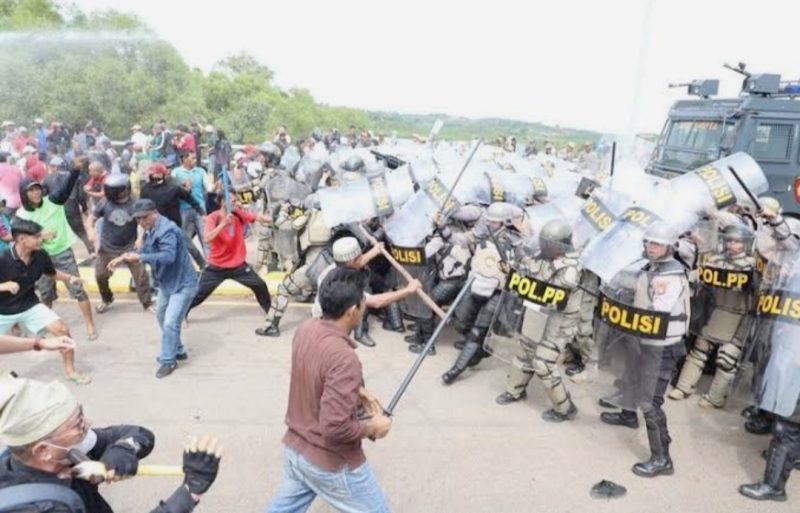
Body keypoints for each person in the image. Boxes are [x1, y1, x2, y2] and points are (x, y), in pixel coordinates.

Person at [266, 267, 392, 512]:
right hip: (329, 462)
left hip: (295, 451)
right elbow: (334, 427)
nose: (365, 304)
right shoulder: (345, 358)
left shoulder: (306, 329)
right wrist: (372, 428)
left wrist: (357, 391)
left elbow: (315, 376)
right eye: (362, 300)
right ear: (352, 311)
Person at [0, 377, 222, 513]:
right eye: (77, 424)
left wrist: (123, 449)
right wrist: (190, 492)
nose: (87, 425)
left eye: (81, 415)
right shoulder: (36, 508)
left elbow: (139, 433)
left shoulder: (64, 451)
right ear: (42, 450)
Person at [599, 222, 690, 478]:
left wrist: (627, 312)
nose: (651, 247)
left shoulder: (669, 277)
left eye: (657, 244)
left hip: (661, 347)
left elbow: (657, 311)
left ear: (670, 247)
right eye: (649, 242)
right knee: (631, 380)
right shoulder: (652, 268)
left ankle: (662, 458)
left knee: (650, 403)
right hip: (645, 341)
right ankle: (628, 415)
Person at [494, 220, 583, 422]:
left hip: (560, 321)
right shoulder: (542, 256)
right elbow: (529, 272)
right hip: (537, 312)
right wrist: (512, 272)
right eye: (543, 242)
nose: (544, 246)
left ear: (561, 244)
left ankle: (564, 408)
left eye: (549, 243)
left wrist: (526, 281)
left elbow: (553, 293)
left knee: (543, 362)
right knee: (524, 351)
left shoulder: (572, 267)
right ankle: (515, 390)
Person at [107, 199, 198, 378]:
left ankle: (168, 360)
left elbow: (168, 256)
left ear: (154, 213)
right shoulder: (150, 229)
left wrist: (140, 258)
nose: (141, 222)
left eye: (144, 217)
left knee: (171, 322)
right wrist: (123, 257)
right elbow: (144, 251)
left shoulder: (167, 230)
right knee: (161, 316)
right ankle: (178, 349)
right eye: (138, 219)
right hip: (166, 282)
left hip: (183, 283)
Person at [668, 223, 755, 408]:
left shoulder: (752, 266)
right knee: (699, 351)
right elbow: (697, 276)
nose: (732, 245)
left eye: (737, 242)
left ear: (746, 244)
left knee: (727, 359)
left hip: (740, 316)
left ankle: (715, 397)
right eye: (729, 240)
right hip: (715, 312)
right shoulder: (715, 260)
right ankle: (684, 387)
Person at [0, 218, 90, 384]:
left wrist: (70, 278)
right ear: (21, 239)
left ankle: (71, 371)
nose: (41, 239)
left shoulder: (40, 255)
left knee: (62, 330)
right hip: (2, 311)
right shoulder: (2, 258)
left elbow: (51, 273)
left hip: (29, 305)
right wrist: (4, 285)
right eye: (36, 236)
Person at [16, 158, 98, 341]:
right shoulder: (21, 215)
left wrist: (76, 169)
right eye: (31, 190)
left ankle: (90, 324)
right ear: (24, 194)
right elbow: (19, 238)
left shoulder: (53, 201)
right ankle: (44, 326)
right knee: (46, 294)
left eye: (37, 189)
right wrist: (40, 237)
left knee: (77, 289)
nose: (36, 193)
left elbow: (68, 185)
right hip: (40, 256)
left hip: (63, 252)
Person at [306, 237, 421, 346]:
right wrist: (408, 290)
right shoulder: (344, 283)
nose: (363, 259)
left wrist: (376, 250)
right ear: (352, 261)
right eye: (360, 256)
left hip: (323, 318)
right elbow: (377, 301)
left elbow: (359, 262)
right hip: (326, 324)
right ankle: (359, 334)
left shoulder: (335, 267)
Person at [187, 187, 272, 328]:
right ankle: (182, 314)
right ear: (221, 202)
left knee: (260, 285)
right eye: (230, 200)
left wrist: (274, 218)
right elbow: (207, 238)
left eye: (235, 200)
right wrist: (223, 224)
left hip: (238, 265)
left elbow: (258, 218)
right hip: (216, 267)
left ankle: (270, 312)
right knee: (197, 295)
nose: (234, 203)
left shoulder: (238, 214)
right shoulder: (213, 218)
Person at [89, 174, 154, 314]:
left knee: (141, 276)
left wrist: (140, 238)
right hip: (107, 247)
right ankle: (107, 299)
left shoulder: (135, 203)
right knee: (100, 276)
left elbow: (143, 223)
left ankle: (147, 303)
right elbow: (92, 218)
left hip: (130, 247)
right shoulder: (105, 202)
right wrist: (91, 231)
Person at [140, 162, 205, 230]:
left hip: (172, 227)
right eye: (151, 173)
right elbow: (142, 207)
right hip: (153, 227)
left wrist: (201, 211)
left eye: (153, 173)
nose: (151, 175)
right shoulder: (145, 189)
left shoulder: (173, 188)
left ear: (161, 175)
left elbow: (189, 198)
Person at [171, 152, 208, 268]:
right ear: (184, 159)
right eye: (192, 158)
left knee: (205, 237)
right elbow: (172, 187)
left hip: (200, 209)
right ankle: (187, 264)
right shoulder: (176, 172)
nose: (195, 160)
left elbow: (209, 187)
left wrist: (216, 187)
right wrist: (182, 186)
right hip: (183, 209)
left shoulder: (201, 172)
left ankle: (211, 266)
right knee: (184, 239)